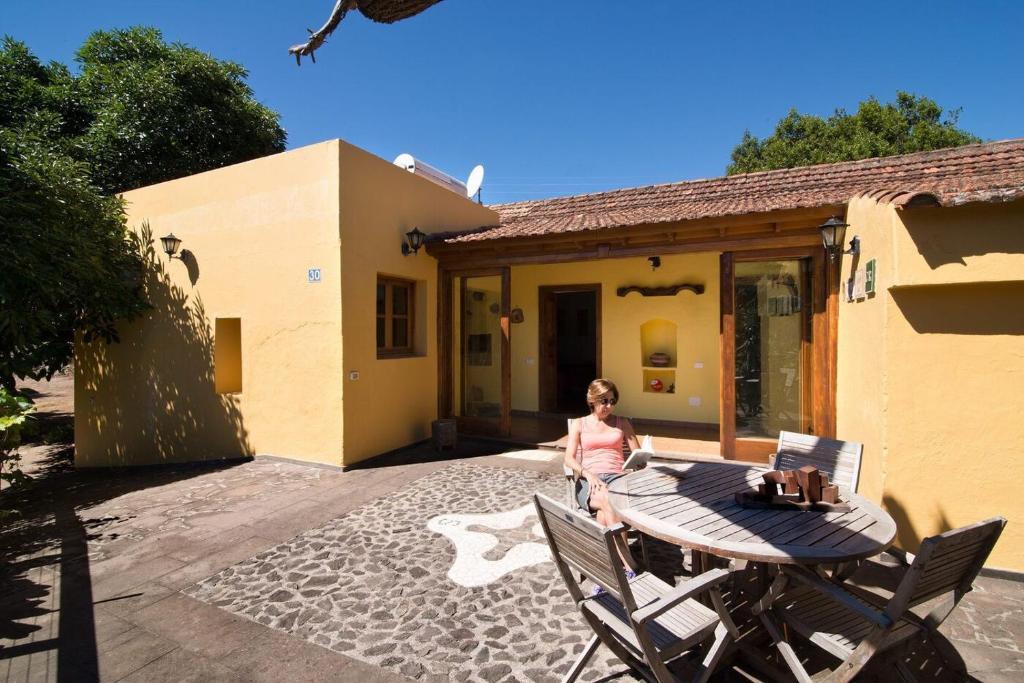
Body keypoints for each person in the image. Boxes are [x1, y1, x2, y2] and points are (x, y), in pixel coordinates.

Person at [564, 378, 641, 528]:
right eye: (604, 401)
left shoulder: (623, 423)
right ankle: (622, 552)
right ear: (593, 400)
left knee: (604, 513)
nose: (609, 406)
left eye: (613, 401)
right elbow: (568, 458)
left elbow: (637, 454)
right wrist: (587, 474)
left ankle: (608, 551)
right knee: (610, 500)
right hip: (590, 481)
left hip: (618, 479)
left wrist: (641, 460)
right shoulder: (579, 424)